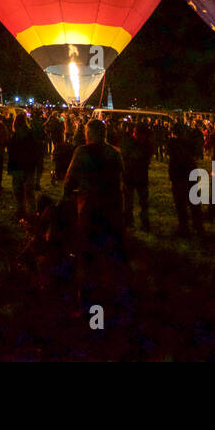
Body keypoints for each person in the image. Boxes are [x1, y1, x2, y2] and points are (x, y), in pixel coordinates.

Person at [62, 119, 126, 306]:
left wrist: (67, 200)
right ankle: (114, 296)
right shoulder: (115, 153)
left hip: (90, 206)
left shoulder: (81, 152)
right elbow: (122, 182)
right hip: (112, 207)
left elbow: (69, 179)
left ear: (88, 134)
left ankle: (85, 295)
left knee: (86, 250)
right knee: (110, 250)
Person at [122, 122, 153, 230]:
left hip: (138, 176)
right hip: (131, 176)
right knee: (129, 202)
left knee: (142, 202)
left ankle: (143, 222)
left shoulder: (144, 145)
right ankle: (129, 221)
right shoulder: (134, 143)